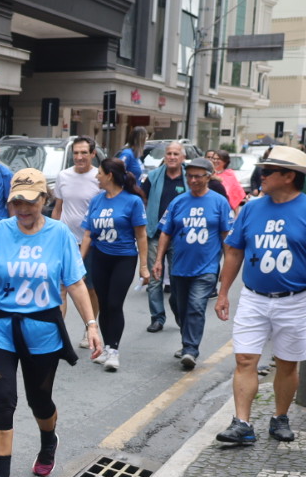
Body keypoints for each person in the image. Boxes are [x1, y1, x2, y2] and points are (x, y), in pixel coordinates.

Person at [0, 169, 102, 477]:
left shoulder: (59, 234)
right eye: (17, 202)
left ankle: (48, 440)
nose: (24, 209)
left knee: (39, 400)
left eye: (30, 202)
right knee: (3, 399)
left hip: (43, 330)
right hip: (0, 327)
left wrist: (91, 324)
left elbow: (74, 283)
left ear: (45, 200)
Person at [214, 146, 306, 445]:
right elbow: (234, 251)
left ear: (289, 176)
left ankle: (280, 417)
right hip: (253, 297)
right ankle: (242, 423)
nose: (260, 175)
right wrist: (223, 292)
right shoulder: (251, 208)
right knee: (245, 359)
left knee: (287, 363)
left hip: (295, 299)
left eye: (267, 171)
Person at [152, 157, 233, 369]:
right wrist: (159, 260)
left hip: (206, 268)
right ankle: (187, 338)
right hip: (179, 267)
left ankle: (190, 349)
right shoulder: (178, 202)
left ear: (209, 176)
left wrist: (226, 267)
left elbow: (227, 237)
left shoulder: (219, 202)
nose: (193, 180)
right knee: (177, 305)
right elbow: (165, 233)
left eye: (198, 176)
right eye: (190, 176)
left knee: (196, 306)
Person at [80, 156, 149, 373]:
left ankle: (114, 351)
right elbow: (89, 234)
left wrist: (144, 266)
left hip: (124, 258)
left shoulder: (132, 201)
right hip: (101, 257)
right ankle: (107, 347)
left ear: (109, 175)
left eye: (99, 173)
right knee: (103, 302)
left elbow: (141, 235)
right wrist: (79, 261)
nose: (96, 176)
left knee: (114, 303)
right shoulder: (96, 200)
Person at [51, 136, 101, 341]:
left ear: (93, 154)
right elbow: (57, 209)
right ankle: (59, 334)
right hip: (66, 240)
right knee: (61, 288)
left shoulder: (100, 177)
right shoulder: (63, 176)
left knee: (89, 288)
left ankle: (89, 327)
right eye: (76, 153)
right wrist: (53, 234)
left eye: (84, 153)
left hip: (91, 242)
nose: (79, 157)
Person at [141, 142, 190, 333]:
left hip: (180, 236)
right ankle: (157, 318)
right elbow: (141, 198)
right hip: (155, 233)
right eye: (169, 153)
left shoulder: (189, 178)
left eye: (176, 154)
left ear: (182, 157)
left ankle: (179, 314)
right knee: (155, 279)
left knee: (178, 279)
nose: (171, 157)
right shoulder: (153, 177)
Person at [116, 125, 149, 197]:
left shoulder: (136, 156)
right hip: (127, 195)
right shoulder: (128, 154)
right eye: (145, 138)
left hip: (135, 195)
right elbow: (117, 171)